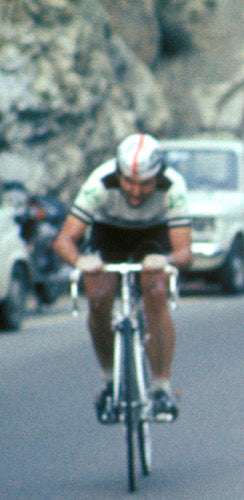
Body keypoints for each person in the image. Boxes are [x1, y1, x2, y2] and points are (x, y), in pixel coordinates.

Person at [53, 133, 192, 421]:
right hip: (109, 235)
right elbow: (64, 239)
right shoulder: (98, 184)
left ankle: (161, 385)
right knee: (99, 297)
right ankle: (108, 378)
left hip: (151, 238)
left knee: (155, 292)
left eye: (145, 184)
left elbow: (184, 252)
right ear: (118, 174)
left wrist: (166, 260)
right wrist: (81, 260)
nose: (136, 192)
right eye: (129, 182)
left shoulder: (173, 186)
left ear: (159, 176)